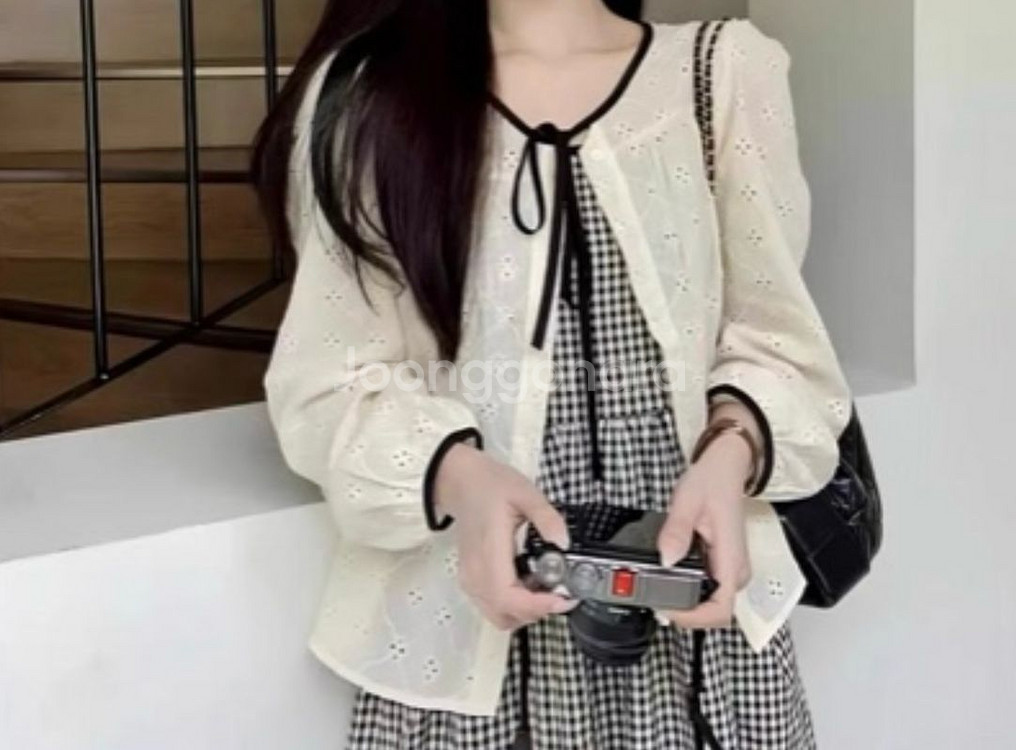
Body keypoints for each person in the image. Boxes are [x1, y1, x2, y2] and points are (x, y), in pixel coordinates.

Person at [252, 1, 852, 747]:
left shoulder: (718, 74)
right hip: (471, 639)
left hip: (700, 627)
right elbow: (327, 384)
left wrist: (732, 453)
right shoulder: (372, 95)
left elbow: (783, 345)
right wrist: (458, 478)